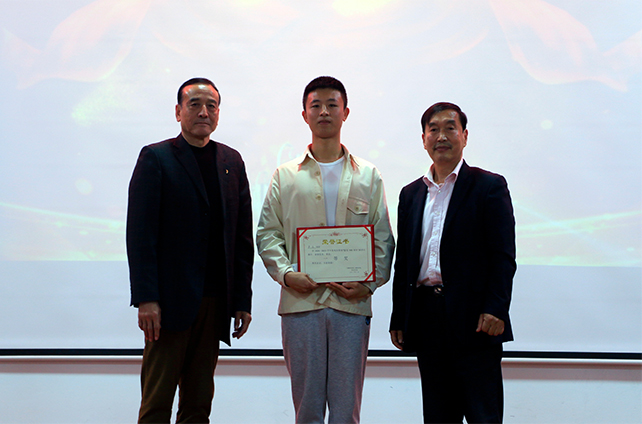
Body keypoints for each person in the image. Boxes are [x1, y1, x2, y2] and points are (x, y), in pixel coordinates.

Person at [256, 76, 395, 424]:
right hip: (301, 303)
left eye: (332, 105)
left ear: (345, 112)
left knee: (347, 410)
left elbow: (382, 237)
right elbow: (268, 234)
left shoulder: (368, 175)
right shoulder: (285, 175)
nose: (324, 112)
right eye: (315, 105)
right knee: (307, 409)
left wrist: (368, 284)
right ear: (304, 114)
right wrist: (287, 274)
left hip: (351, 303)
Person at [126, 77, 254, 423]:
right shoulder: (156, 157)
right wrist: (146, 298)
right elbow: (140, 235)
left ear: (218, 113)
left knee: (198, 405)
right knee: (156, 404)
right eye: (194, 104)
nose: (203, 112)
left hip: (215, 302)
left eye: (211, 106)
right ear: (178, 111)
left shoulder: (231, 161)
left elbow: (242, 238)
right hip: (168, 304)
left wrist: (242, 300)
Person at [389, 102, 516, 423]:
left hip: (476, 321)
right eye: (433, 129)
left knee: (483, 415)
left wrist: (496, 308)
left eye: (450, 128)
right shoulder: (411, 194)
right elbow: (404, 261)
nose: (441, 136)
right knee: (438, 416)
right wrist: (399, 316)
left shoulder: (488, 186)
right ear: (423, 139)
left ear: (464, 136)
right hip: (426, 318)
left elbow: (503, 255)